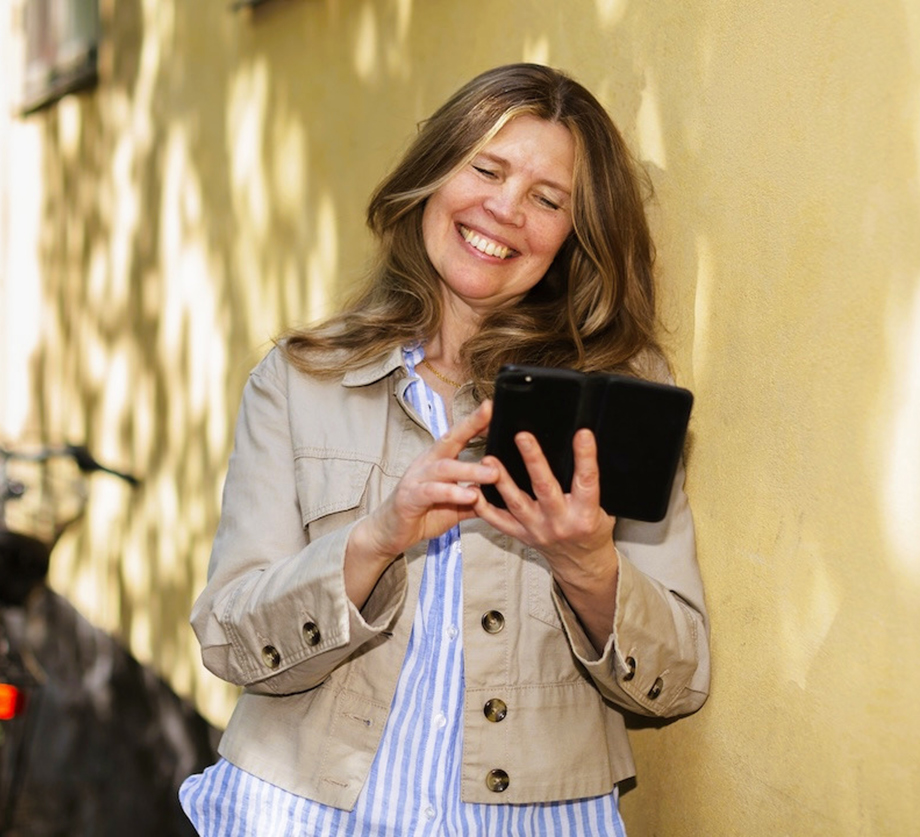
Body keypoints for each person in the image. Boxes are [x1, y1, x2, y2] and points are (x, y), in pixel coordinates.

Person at [179, 63, 709, 835]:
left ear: (574, 235)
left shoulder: (619, 398)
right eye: (486, 170)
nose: (505, 209)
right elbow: (229, 637)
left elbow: (679, 675)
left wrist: (589, 567)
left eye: (548, 199)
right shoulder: (299, 380)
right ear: (432, 176)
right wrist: (375, 540)